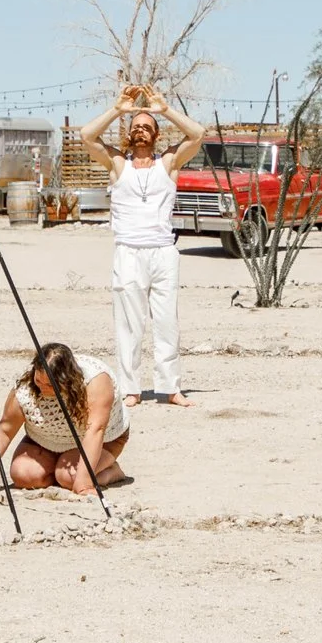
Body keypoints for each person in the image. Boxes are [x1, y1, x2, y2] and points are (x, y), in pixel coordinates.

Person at [78, 84, 206, 407]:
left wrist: (165, 110)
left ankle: (170, 388)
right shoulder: (117, 164)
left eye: (147, 127)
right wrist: (118, 110)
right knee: (128, 325)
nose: (141, 132)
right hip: (129, 251)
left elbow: (198, 134)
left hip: (162, 251)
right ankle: (130, 388)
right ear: (129, 134)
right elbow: (86, 136)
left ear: (156, 134)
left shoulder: (169, 163)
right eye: (136, 127)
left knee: (166, 323)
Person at [0, 342, 132, 495]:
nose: (42, 389)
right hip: (47, 439)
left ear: (67, 379)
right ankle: (60, 468)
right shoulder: (25, 390)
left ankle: (111, 471)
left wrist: (85, 483)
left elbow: (96, 430)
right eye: (39, 380)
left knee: (69, 477)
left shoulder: (95, 379)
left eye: (50, 385)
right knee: (23, 475)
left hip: (101, 438)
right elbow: (4, 430)